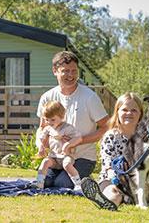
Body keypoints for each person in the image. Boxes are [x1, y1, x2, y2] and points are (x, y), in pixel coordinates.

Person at [36, 51, 109, 188]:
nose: (71, 75)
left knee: (62, 184)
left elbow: (107, 127)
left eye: (74, 71)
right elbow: (42, 127)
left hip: (83, 157)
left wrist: (77, 141)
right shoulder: (47, 97)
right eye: (65, 71)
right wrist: (41, 143)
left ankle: (86, 178)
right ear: (55, 71)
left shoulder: (89, 97)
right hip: (56, 157)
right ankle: (76, 178)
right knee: (45, 182)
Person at [36, 101, 83, 190]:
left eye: (52, 119)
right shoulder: (48, 129)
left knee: (67, 164)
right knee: (45, 162)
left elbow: (78, 138)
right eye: (47, 119)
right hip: (54, 157)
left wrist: (68, 145)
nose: (49, 122)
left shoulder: (67, 128)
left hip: (66, 155)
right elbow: (42, 139)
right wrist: (41, 147)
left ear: (61, 117)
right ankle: (39, 183)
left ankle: (78, 184)